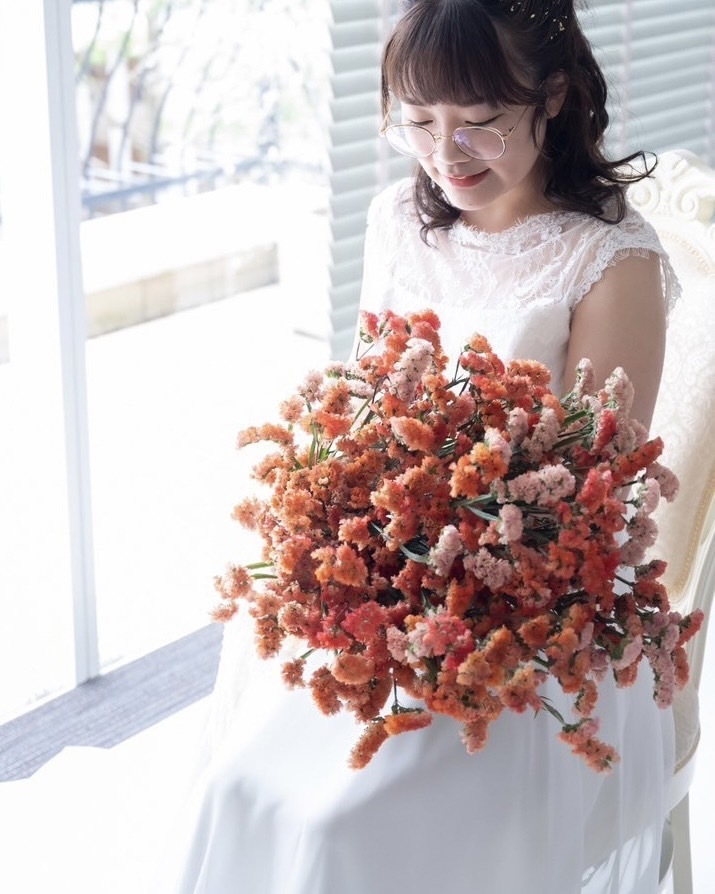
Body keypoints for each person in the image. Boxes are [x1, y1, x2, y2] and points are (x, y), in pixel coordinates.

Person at [171, 1, 677, 891]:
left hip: (536, 602)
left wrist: (456, 561)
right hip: (395, 566)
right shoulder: (395, 219)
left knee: (338, 831)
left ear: (551, 95)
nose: (446, 154)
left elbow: (598, 487)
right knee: (238, 785)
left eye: (478, 123)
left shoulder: (609, 260)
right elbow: (371, 402)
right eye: (417, 122)